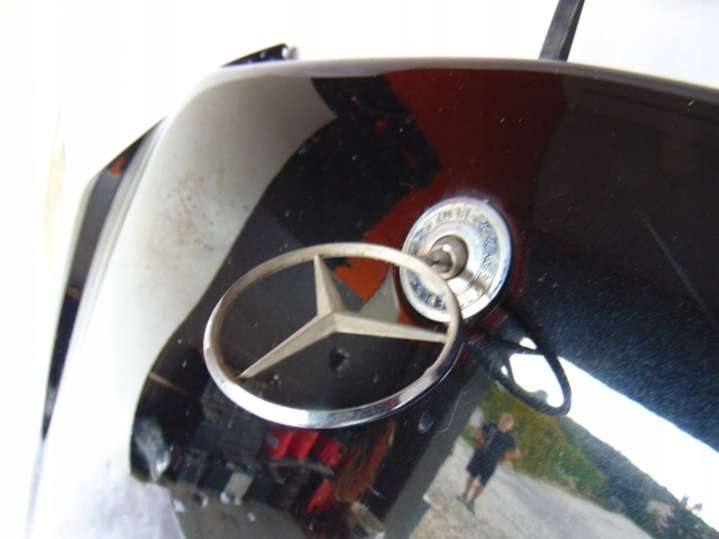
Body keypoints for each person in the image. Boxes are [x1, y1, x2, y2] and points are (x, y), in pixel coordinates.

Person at [458, 412, 521, 512]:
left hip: (491, 462)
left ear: (510, 427)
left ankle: (472, 501)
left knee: (483, 482)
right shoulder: (491, 425)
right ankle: (465, 494)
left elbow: (517, 453)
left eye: (508, 423)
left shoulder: (509, 439)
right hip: (479, 454)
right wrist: (478, 437)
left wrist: (507, 456)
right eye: (504, 420)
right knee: (472, 475)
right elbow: (479, 429)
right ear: (500, 419)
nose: (505, 423)